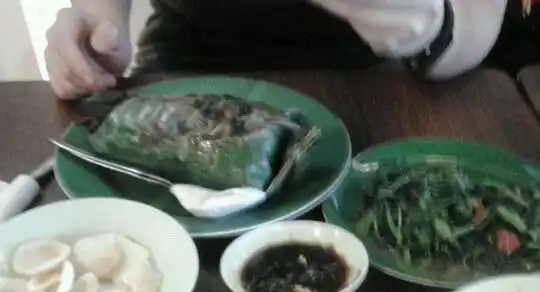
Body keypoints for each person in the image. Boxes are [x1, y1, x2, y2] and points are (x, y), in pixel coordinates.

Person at [45, 0, 537, 101]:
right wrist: (100, 21)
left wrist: (431, 28)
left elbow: (475, 22)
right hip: (190, 54)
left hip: (374, 75)